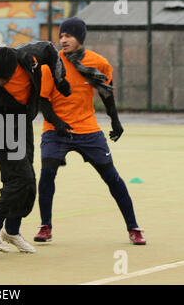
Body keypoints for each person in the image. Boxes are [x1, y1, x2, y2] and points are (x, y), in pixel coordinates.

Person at [34, 17, 146, 245]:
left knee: (112, 177)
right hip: (55, 130)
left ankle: (134, 227)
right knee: (47, 174)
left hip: (87, 129)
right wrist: (58, 123)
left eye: (69, 36)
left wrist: (115, 121)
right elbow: (43, 102)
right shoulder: (50, 64)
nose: (63, 40)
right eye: (61, 36)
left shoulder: (99, 63)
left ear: (80, 38)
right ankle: (45, 226)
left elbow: (106, 94)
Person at [0, 43, 71, 253]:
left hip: (22, 120)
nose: (1, 82)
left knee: (27, 182)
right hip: (1, 125)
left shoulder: (28, 57)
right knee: (21, 178)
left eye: (5, 78)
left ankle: (11, 231)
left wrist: (60, 79)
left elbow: (50, 50)